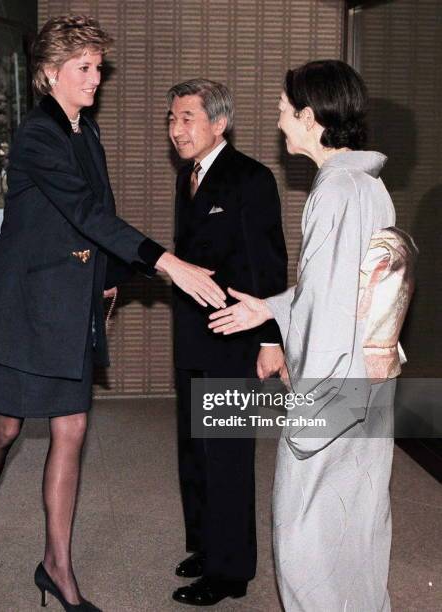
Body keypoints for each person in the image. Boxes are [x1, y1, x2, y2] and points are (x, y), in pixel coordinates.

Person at [0, 15, 226, 612]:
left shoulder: (86, 131)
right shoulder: (37, 136)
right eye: (84, 68)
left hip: (72, 303)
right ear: (51, 73)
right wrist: (167, 264)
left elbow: (98, 215)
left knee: (71, 428)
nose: (95, 79)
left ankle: (56, 565)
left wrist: (108, 279)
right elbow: (86, 213)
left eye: (99, 68)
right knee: (5, 428)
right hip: (23, 307)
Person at [209, 60, 415, 611]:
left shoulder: (335, 193)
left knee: (306, 537)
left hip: (333, 389)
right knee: (358, 525)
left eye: (283, 113)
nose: (279, 125)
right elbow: (340, 293)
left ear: (310, 117)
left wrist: (309, 410)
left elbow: (328, 315)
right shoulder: (366, 185)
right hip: (366, 384)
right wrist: (271, 308)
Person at [167, 79, 287, 606]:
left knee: (228, 457)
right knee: (194, 450)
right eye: (172, 119)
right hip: (193, 336)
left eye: (188, 118)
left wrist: (269, 339)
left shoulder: (251, 179)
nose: (176, 130)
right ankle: (207, 546)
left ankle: (230, 572)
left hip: (236, 337)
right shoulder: (189, 177)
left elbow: (268, 264)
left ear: (220, 124)